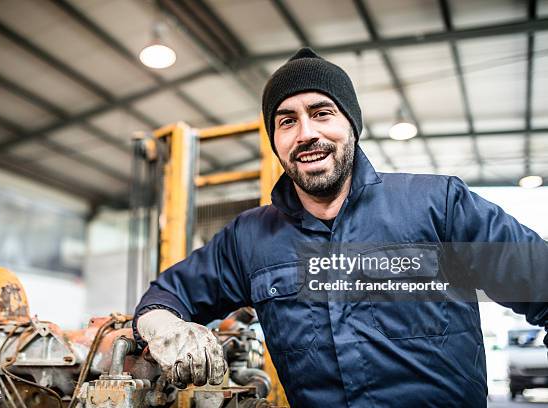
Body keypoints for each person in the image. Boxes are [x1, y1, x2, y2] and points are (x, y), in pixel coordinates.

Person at [133, 48, 548, 407]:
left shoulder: (439, 206)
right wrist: (166, 328)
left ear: (350, 123)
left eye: (321, 113)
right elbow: (165, 296)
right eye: (287, 121)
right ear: (276, 138)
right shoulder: (250, 239)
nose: (306, 133)